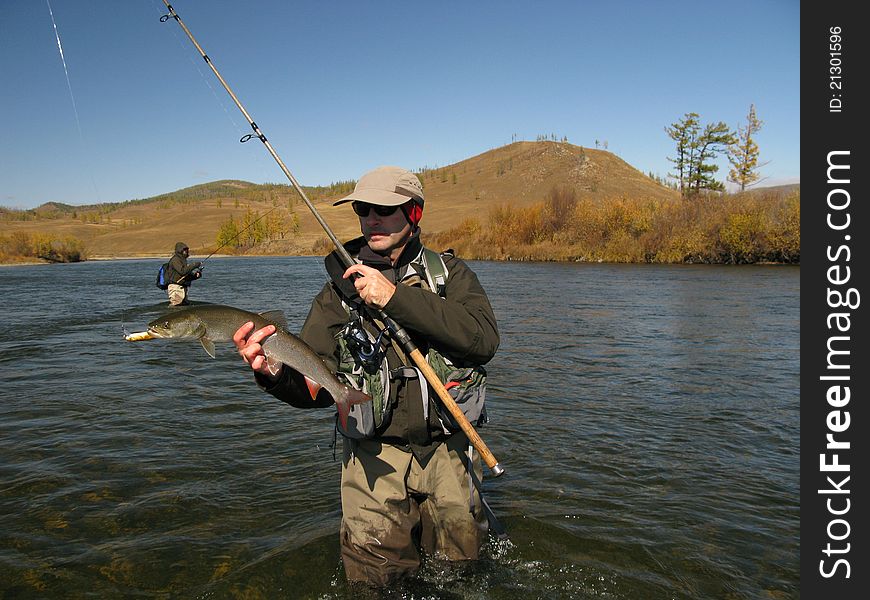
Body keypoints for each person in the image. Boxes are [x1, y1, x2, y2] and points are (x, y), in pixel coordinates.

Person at [232, 165, 500, 587]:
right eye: (362, 208)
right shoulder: (337, 293)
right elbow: (316, 387)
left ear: (414, 214)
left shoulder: (451, 276)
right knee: (373, 583)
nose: (371, 219)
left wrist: (395, 298)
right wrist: (274, 374)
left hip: (450, 452)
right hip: (373, 460)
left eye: (384, 209)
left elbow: (483, 340)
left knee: (461, 574)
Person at [166, 242, 202, 306]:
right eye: (185, 250)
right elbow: (182, 271)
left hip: (183, 288)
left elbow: (185, 276)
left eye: (187, 250)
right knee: (176, 307)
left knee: (184, 306)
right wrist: (194, 265)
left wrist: (195, 276)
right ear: (180, 250)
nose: (187, 251)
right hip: (175, 288)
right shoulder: (175, 260)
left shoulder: (183, 261)